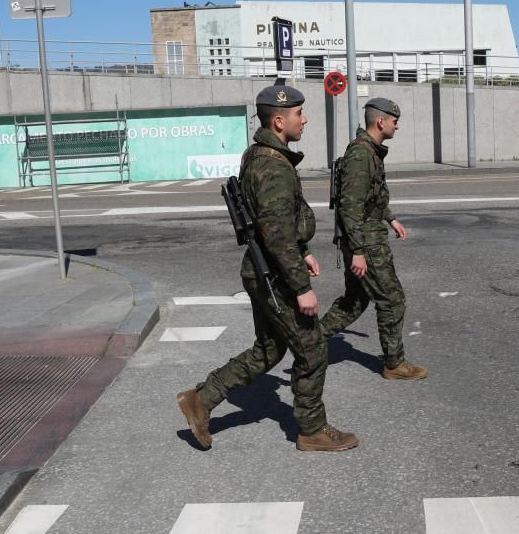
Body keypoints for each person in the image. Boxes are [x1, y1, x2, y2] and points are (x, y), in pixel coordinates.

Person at [177, 85, 358, 452]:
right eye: (298, 114)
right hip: (275, 276)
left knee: (269, 350)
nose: (304, 119)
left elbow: (275, 223)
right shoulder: (271, 166)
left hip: (267, 270)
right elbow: (275, 234)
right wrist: (301, 286)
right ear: (279, 121)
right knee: (311, 350)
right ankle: (312, 430)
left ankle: (200, 400)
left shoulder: (261, 155)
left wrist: (303, 249)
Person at [320, 97, 428, 380]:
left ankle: (311, 342)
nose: (397, 126)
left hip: (366, 237)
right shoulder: (361, 154)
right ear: (381, 121)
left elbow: (372, 196)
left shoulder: (370, 151)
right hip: (366, 242)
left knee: (355, 301)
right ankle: (394, 364)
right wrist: (357, 250)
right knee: (392, 300)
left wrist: (390, 217)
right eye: (395, 121)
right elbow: (349, 206)